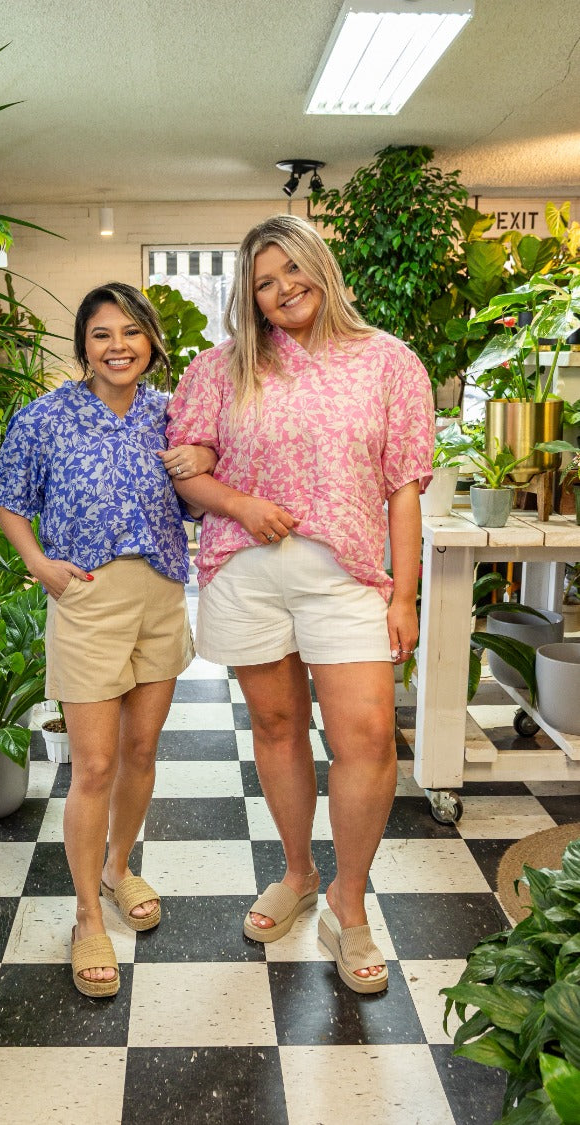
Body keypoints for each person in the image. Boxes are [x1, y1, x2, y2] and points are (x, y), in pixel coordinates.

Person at [167, 215, 434, 994]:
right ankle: (298, 872)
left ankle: (348, 903)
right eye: (263, 282)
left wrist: (405, 596)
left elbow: (404, 489)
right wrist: (243, 504)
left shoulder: (388, 361)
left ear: (321, 265)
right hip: (243, 569)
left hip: (344, 573)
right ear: (248, 299)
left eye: (292, 270)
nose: (283, 289)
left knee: (368, 737)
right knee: (279, 726)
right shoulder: (221, 369)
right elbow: (188, 472)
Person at [0, 282, 215, 998]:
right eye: (101, 334)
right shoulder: (47, 416)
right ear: (83, 345)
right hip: (85, 594)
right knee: (92, 764)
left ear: (151, 340)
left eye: (131, 332)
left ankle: (119, 868)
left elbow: (198, 494)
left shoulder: (171, 416)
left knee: (142, 750)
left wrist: (202, 464)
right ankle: (87, 912)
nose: (118, 346)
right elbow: (7, 491)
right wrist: (39, 565)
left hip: (159, 591)